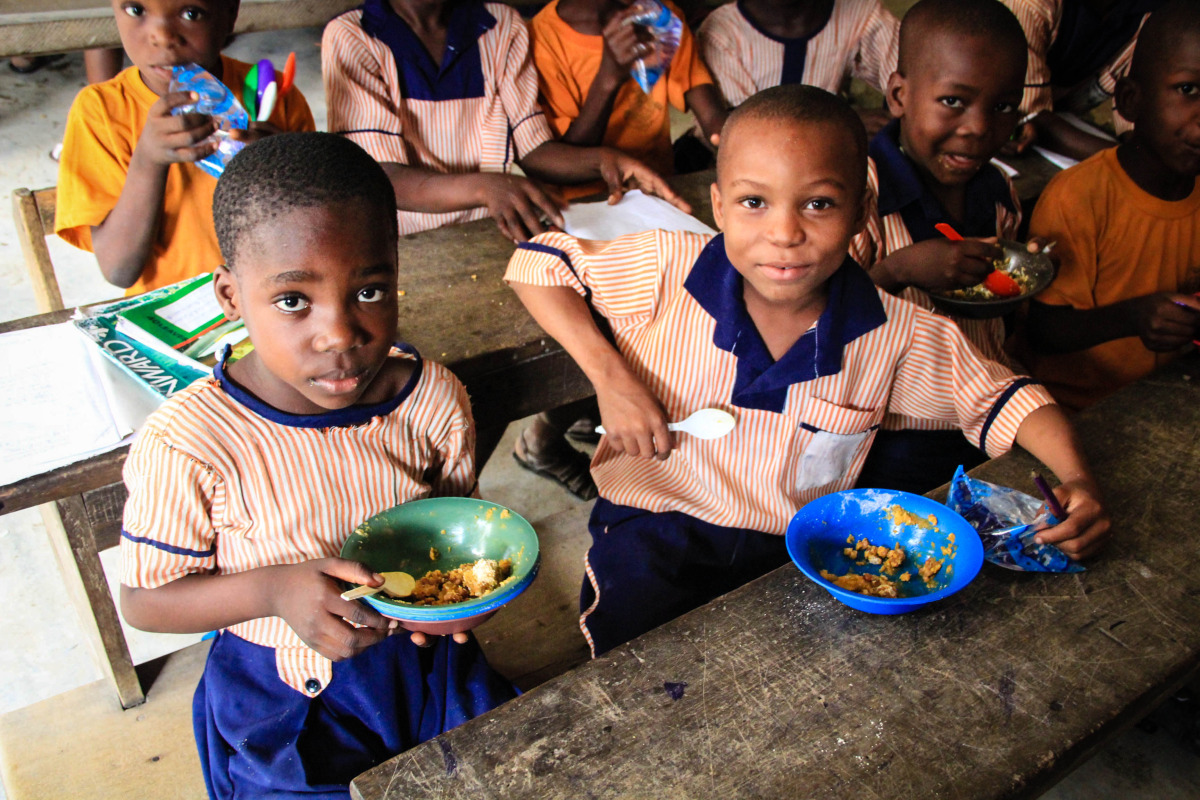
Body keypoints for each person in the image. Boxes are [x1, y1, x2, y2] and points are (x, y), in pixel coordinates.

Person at [504, 84, 1110, 657]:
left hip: (795, 545)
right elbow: (539, 263)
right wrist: (612, 379)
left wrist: (1078, 478)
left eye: (818, 204)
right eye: (753, 202)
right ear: (718, 206)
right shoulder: (668, 267)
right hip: (656, 524)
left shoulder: (896, 334)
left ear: (861, 211)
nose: (785, 233)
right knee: (633, 657)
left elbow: (1006, 399)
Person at [118, 132, 516, 799]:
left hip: (425, 665)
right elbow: (144, 601)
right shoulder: (190, 442)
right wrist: (273, 592)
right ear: (230, 296)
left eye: (369, 290)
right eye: (293, 301)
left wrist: (467, 599)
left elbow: (461, 531)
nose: (340, 334)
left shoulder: (432, 399)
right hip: (288, 695)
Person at [847, 0, 1036, 494]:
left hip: (986, 415)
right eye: (954, 101)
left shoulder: (997, 190)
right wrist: (899, 270)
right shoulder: (856, 193)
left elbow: (1006, 321)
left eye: (1002, 107)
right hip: (887, 432)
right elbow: (818, 324)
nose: (978, 128)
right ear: (899, 94)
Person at [322, 0, 689, 244]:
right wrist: (486, 188)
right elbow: (381, 176)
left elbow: (535, 149)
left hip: (497, 232)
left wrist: (606, 158)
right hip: (407, 243)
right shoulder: (355, 36)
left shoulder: (501, 26)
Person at [55, 0, 314, 296]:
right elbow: (119, 270)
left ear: (230, 15)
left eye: (191, 14)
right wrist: (149, 159)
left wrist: (276, 171)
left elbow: (314, 240)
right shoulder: (100, 112)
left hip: (274, 305)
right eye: (136, 10)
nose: (163, 36)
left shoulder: (272, 97)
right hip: (172, 318)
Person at [1016, 0, 1200, 412]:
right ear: (1131, 100)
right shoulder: (1079, 197)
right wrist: (1134, 317)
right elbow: (1044, 331)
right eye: (1188, 90)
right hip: (1075, 407)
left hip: (1165, 395)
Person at [529, 0, 726, 197]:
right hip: (583, 206)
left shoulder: (661, 16)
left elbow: (711, 117)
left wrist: (731, 138)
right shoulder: (541, 39)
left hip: (658, 193)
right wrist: (609, 78)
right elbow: (563, 163)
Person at [697, 0, 899, 133]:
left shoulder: (861, 14)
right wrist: (839, 126)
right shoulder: (721, 34)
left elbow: (911, 85)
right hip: (730, 165)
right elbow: (746, 135)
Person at [1002, 0, 1165, 161]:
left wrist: (1139, 151)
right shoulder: (1029, 5)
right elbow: (1032, 116)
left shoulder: (1147, 15)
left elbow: (1133, 117)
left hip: (1059, 125)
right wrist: (1130, 160)